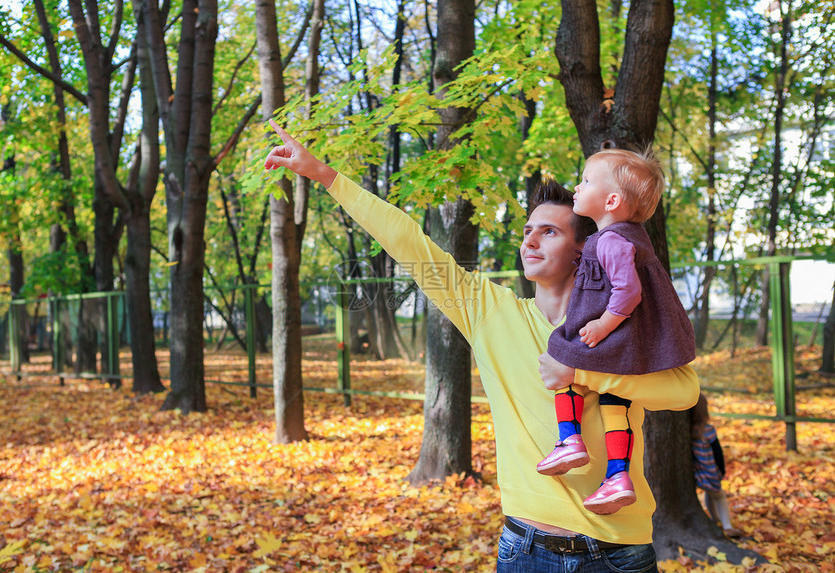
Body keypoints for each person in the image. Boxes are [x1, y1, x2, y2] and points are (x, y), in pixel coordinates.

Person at [264, 119, 700, 572]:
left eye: (549, 232)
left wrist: (580, 374)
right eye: (528, 230)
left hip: (618, 552)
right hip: (525, 549)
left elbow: (683, 390)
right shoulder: (490, 311)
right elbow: (411, 245)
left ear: (584, 250)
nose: (529, 240)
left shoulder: (624, 321)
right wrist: (326, 176)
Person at [536, 149, 696, 516]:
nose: (578, 185)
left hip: (611, 333)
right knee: (615, 402)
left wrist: (603, 323)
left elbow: (628, 291)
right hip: (629, 343)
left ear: (611, 200)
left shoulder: (611, 240)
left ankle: (569, 439)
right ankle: (617, 476)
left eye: (587, 180)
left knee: (562, 354)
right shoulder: (625, 238)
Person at [691, 393, 741, 538]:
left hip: (698, 474)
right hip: (710, 472)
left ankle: (714, 519)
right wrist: (722, 469)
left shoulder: (687, 431)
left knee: (710, 493)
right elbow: (717, 453)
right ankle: (727, 526)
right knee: (720, 496)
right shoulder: (708, 431)